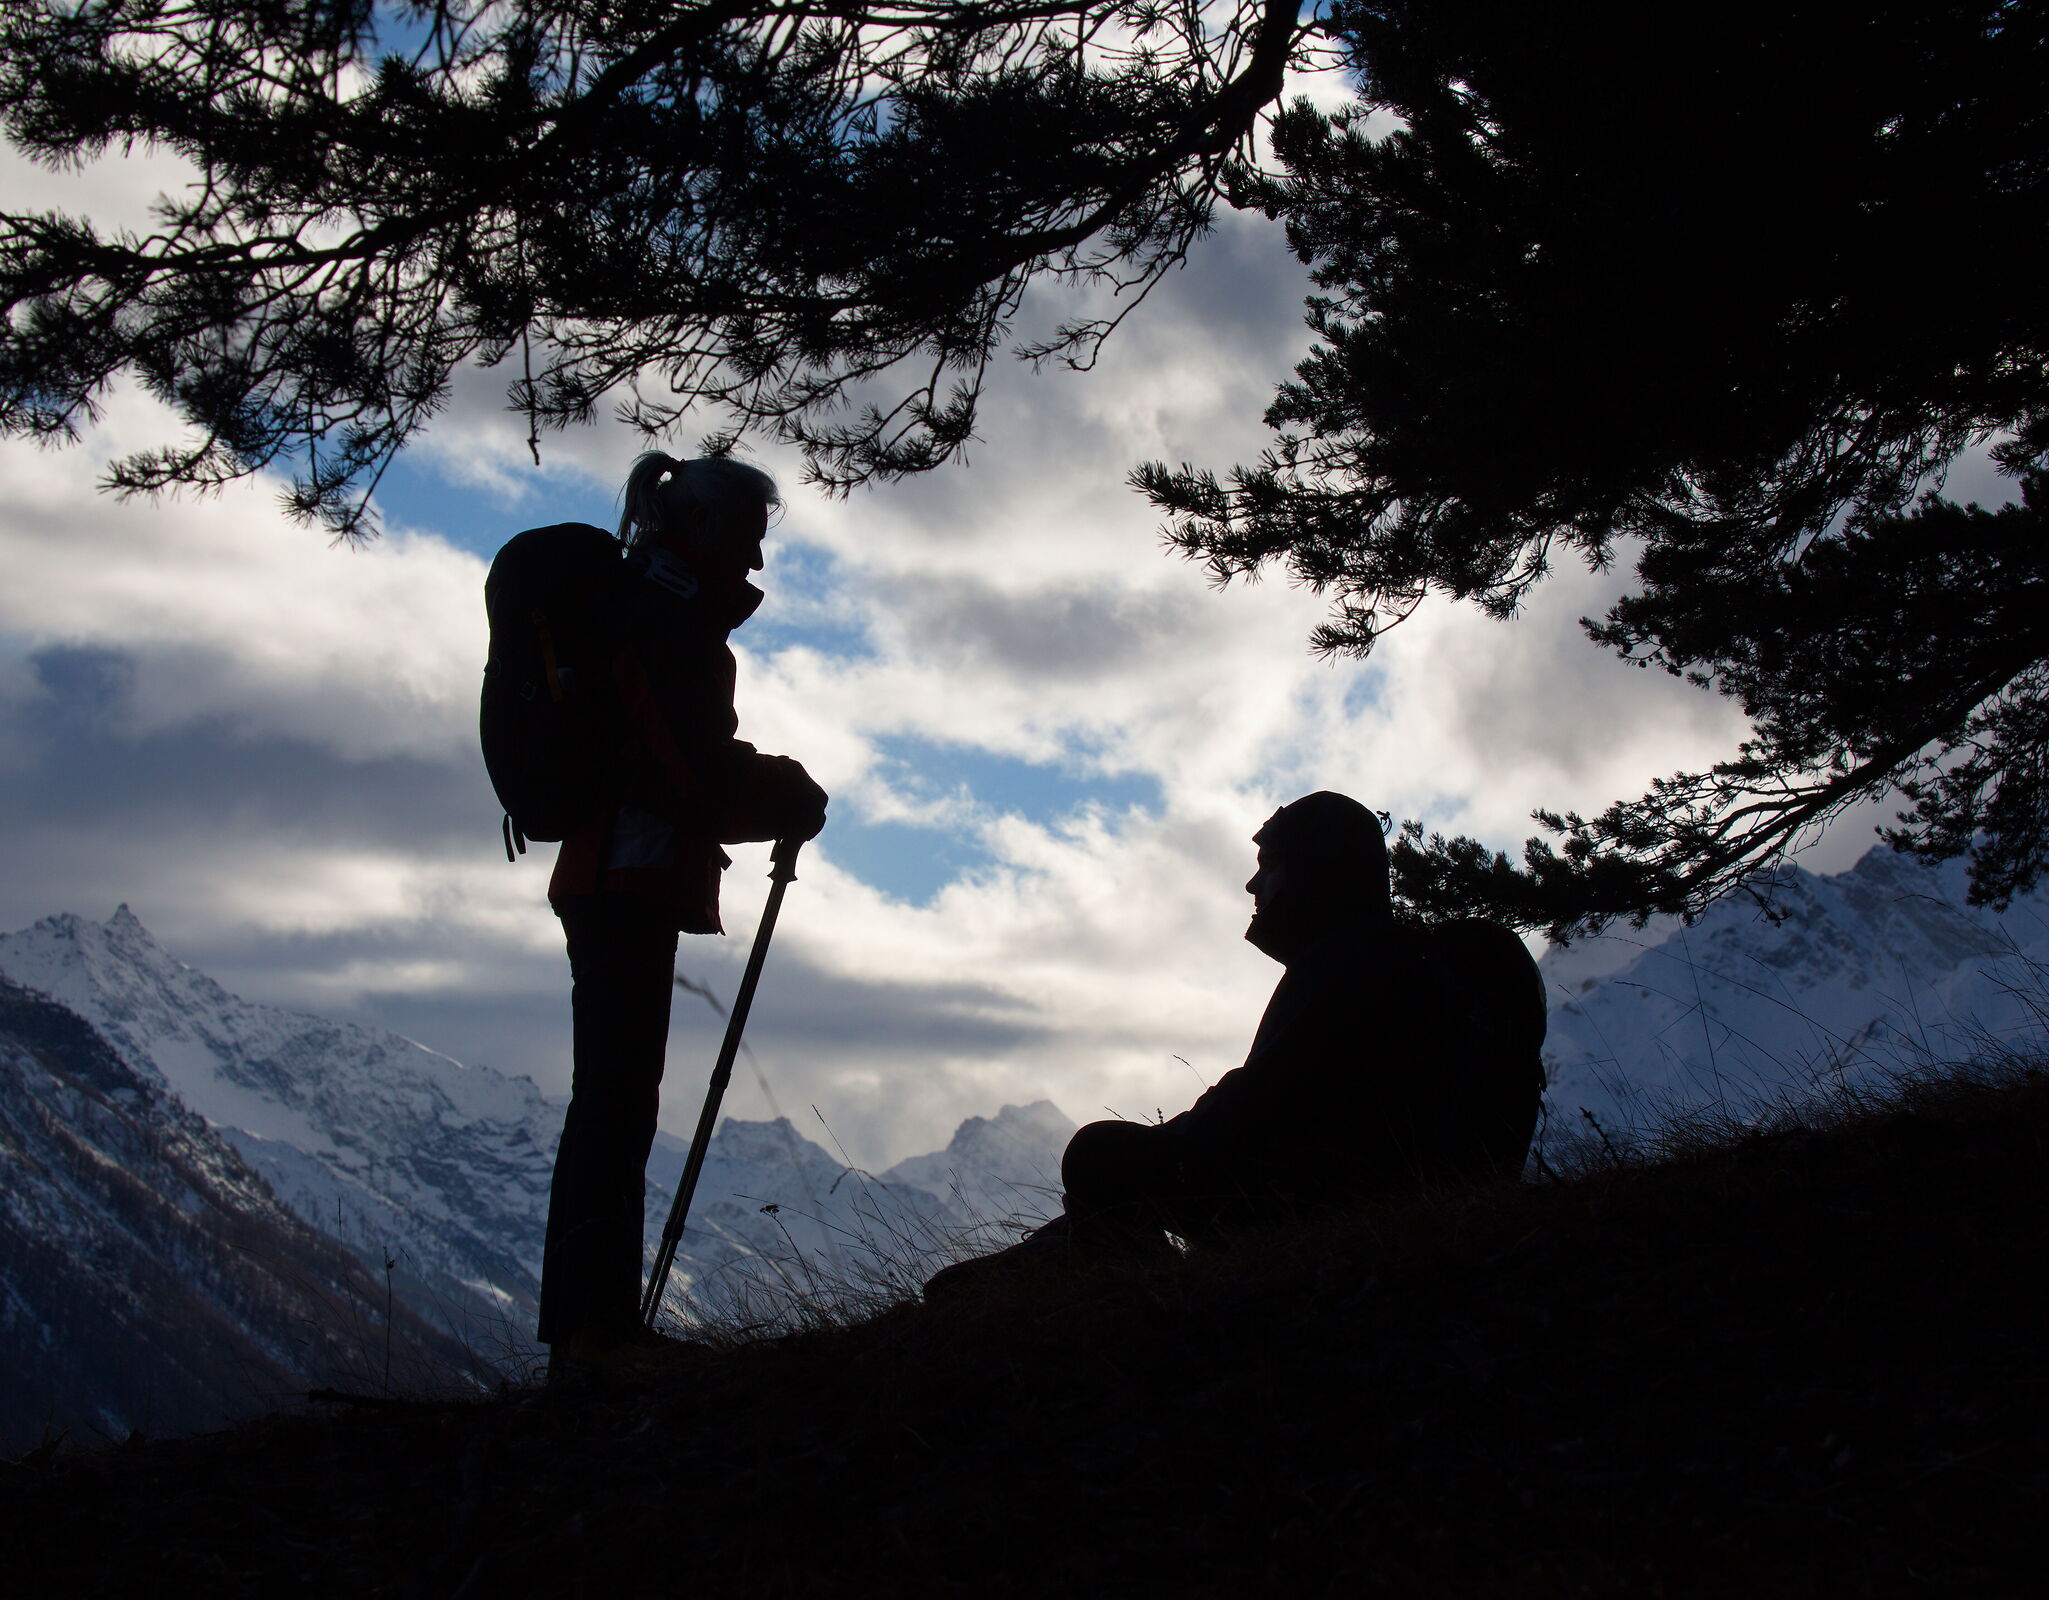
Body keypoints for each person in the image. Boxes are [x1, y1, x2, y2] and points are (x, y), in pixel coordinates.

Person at [927, 791, 1544, 1294]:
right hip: (1381, 1192)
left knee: (1099, 1152)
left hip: (1330, 1202)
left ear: (1312, 871)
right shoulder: (1400, 961)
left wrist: (1166, 1144)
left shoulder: (1343, 965)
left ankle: (1115, 1293)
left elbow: (1266, 1107)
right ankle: (1067, 1255)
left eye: (1269, 867)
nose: (1254, 888)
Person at [537, 451, 827, 1365]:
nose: (756, 561)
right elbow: (685, 774)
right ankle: (596, 1334)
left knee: (615, 1099)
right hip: (624, 875)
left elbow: (679, 773)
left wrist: (761, 795)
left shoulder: (654, 615)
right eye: (747, 537)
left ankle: (593, 1329)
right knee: (617, 1103)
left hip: (615, 873)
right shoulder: (662, 627)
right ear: (702, 531)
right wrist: (782, 791)